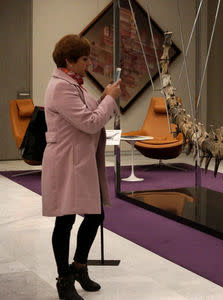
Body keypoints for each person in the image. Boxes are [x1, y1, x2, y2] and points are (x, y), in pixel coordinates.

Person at [41, 34, 121, 300]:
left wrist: (103, 98)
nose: (89, 63)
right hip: (68, 163)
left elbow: (86, 116)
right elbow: (89, 123)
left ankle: (79, 267)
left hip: (81, 162)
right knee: (65, 221)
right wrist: (109, 100)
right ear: (69, 60)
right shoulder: (62, 87)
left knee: (95, 215)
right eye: (85, 59)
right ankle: (64, 280)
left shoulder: (74, 83)